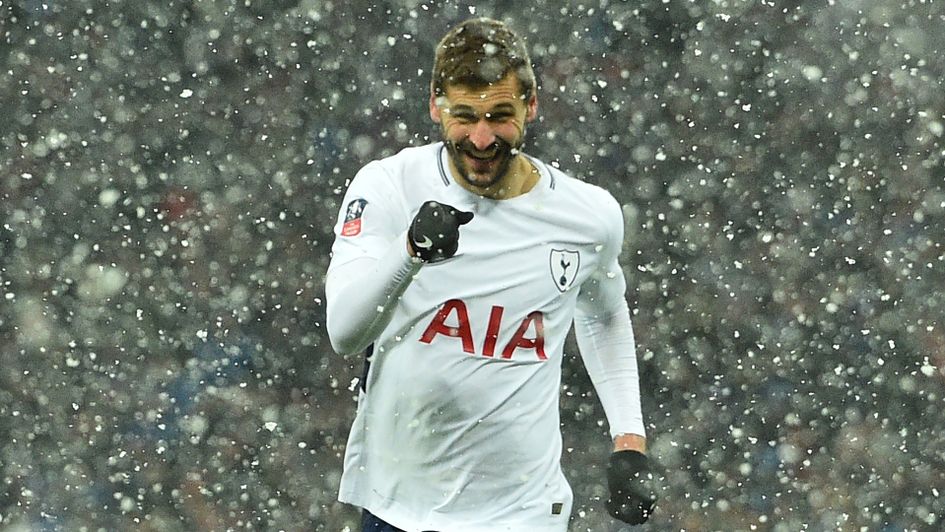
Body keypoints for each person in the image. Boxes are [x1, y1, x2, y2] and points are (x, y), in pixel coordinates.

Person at [326, 17, 657, 532]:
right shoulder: (389, 187)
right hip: (402, 506)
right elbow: (345, 332)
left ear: (531, 105)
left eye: (500, 116)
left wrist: (629, 439)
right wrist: (410, 251)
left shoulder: (587, 215)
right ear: (435, 105)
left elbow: (606, 313)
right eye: (465, 116)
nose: (481, 138)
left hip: (524, 512)